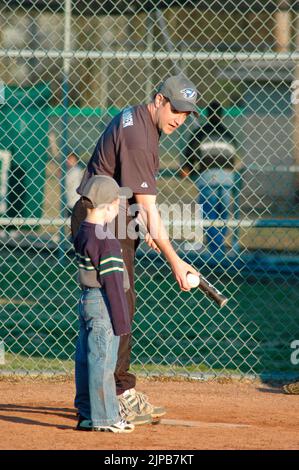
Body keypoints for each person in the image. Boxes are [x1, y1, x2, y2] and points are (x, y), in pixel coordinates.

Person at [71, 74, 200, 425]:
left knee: (107, 309)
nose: (180, 118)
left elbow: (135, 202)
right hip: (104, 220)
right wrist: (176, 261)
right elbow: (147, 207)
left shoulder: (138, 119)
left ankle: (92, 401)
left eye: (186, 114)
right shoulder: (140, 137)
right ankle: (118, 394)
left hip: (107, 216)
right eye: (175, 109)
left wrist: (147, 231)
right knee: (116, 307)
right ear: (159, 99)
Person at [74, 174, 135, 433]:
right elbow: (112, 283)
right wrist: (122, 321)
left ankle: (87, 413)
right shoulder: (106, 239)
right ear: (108, 206)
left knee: (86, 361)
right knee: (103, 362)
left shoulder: (84, 231)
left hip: (88, 300)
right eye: (117, 205)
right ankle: (107, 417)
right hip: (103, 304)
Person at [182, 100, 237, 258]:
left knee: (209, 213)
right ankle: (219, 246)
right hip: (227, 177)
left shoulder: (200, 133)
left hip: (207, 176)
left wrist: (189, 169)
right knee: (223, 212)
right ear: (221, 115)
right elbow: (233, 157)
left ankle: (216, 250)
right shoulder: (228, 134)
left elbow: (190, 155)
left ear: (207, 114)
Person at [65, 152, 84, 217]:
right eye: (68, 159)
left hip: (74, 201)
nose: (68, 161)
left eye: (71, 159)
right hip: (69, 201)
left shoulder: (76, 170)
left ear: (76, 160)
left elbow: (67, 182)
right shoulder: (68, 170)